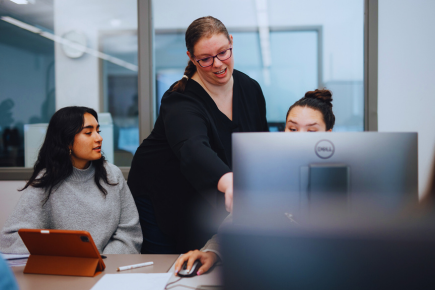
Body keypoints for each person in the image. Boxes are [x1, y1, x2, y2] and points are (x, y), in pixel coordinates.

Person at [128, 16, 269, 254]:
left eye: (223, 52)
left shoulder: (249, 88)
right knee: (170, 269)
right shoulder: (180, 100)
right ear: (191, 58)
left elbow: (260, 143)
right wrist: (230, 181)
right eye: (205, 59)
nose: (217, 64)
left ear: (231, 42)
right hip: (163, 195)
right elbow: (193, 148)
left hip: (208, 196)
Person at [174, 88, 336, 275]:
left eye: (311, 131)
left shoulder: (344, 180)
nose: (299, 137)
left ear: (328, 134)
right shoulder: (267, 173)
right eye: (292, 129)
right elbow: (236, 224)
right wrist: (211, 252)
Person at [0, 106, 142, 254]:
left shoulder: (112, 174)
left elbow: (130, 233)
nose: (99, 138)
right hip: (65, 272)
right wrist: (66, 257)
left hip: (111, 269)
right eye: (88, 133)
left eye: (97, 131)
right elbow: (10, 240)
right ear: (66, 141)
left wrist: (101, 261)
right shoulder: (47, 180)